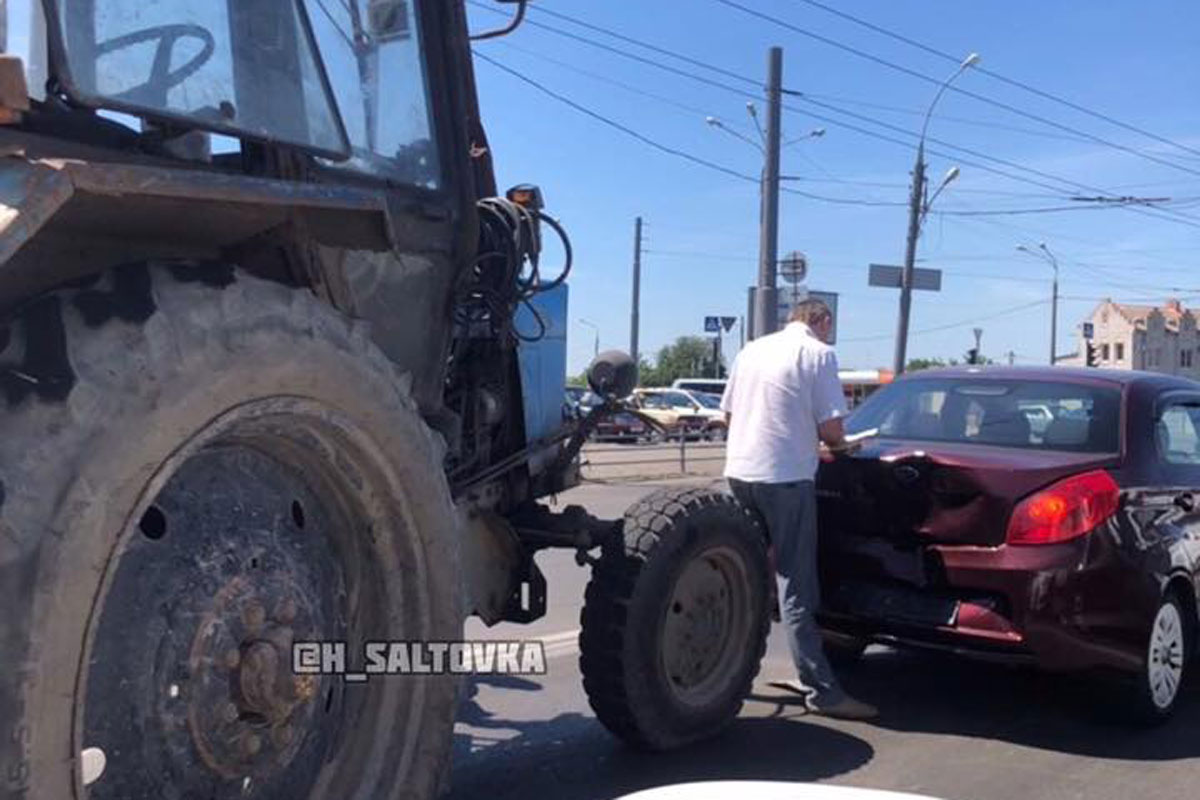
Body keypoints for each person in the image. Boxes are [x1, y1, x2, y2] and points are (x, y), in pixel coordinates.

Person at [720, 298, 877, 720]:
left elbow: (729, 415)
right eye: (830, 326)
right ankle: (822, 691)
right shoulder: (819, 354)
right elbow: (831, 428)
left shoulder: (751, 349)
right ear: (822, 321)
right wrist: (843, 445)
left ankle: (726, 675)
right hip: (786, 478)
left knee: (746, 575)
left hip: (740, 472)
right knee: (796, 584)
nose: (831, 332)